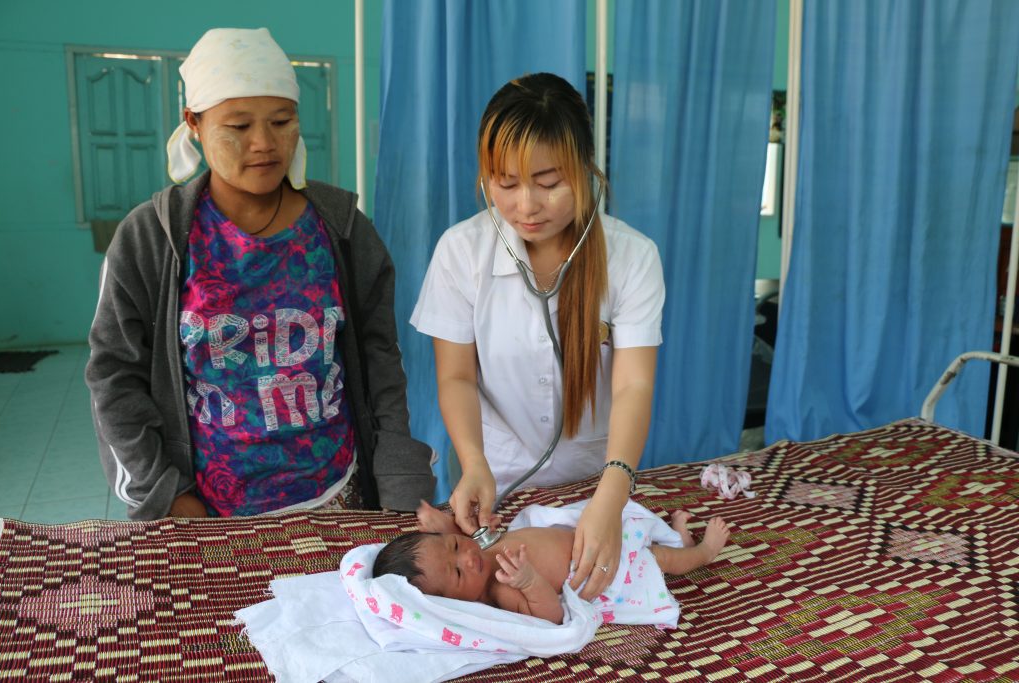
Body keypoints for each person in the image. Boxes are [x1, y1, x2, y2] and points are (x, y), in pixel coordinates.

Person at [86, 28, 435, 520]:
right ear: (194, 124)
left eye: (281, 120)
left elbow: (380, 361)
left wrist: (400, 480)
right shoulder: (151, 240)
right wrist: (163, 493)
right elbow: (114, 377)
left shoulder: (342, 232)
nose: (265, 144)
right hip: (207, 512)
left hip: (340, 496)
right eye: (239, 126)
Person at [410, 72, 665, 599]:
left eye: (549, 182)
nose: (527, 205)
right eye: (506, 183)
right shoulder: (461, 252)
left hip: (597, 478)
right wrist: (473, 461)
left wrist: (612, 495)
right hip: (497, 477)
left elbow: (632, 387)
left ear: (585, 168)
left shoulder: (633, 257)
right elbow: (456, 376)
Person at [373, 500, 729, 625]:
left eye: (454, 545)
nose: (466, 557)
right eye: (456, 571)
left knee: (631, 526)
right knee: (659, 560)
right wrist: (528, 582)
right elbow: (550, 617)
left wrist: (447, 526)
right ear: (454, 601)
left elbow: (473, 542)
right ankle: (702, 553)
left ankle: (676, 536)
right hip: (600, 565)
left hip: (588, 536)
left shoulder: (475, 555)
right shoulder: (501, 590)